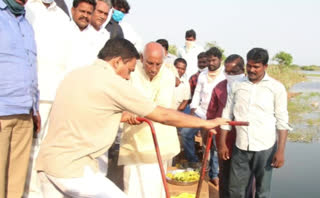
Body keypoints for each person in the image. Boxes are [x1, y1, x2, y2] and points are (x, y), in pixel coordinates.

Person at [36, 38, 228, 198]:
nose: (128, 77)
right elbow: (163, 115)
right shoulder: (111, 81)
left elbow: (88, 112)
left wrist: (120, 116)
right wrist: (206, 122)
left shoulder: (76, 74)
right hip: (73, 170)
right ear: (117, 61)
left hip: (47, 165)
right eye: (129, 70)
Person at [221, 48, 291, 198]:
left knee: (262, 191)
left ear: (265, 66)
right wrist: (222, 143)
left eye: (256, 67)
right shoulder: (237, 85)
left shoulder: (276, 88)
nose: (251, 70)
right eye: (249, 65)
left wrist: (280, 151)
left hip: (265, 148)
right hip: (241, 146)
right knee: (235, 190)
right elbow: (227, 114)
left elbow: (282, 121)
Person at [24, 0, 72, 197]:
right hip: (32, 95)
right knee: (30, 151)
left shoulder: (62, 17)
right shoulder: (25, 8)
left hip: (57, 96)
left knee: (50, 151)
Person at [118, 42, 179, 198]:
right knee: (133, 188)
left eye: (158, 64)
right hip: (134, 142)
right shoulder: (130, 71)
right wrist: (127, 113)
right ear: (141, 58)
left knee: (156, 188)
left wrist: (137, 112)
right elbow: (120, 101)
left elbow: (163, 109)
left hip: (160, 141)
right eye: (149, 63)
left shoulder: (168, 75)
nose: (153, 69)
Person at [0, 0, 41, 197]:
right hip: (2, 112)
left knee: (16, 186)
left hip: (24, 114)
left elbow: (30, 66)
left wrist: (35, 107)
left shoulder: (26, 24)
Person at [206, 54, 245, 196]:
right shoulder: (219, 88)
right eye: (227, 72)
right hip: (225, 139)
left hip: (245, 140)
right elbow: (211, 113)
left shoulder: (249, 88)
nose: (230, 75)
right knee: (225, 174)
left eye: (234, 72)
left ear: (243, 70)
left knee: (243, 177)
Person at [187, 47, 225, 181]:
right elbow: (197, 93)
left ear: (220, 60)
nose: (211, 63)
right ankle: (199, 164)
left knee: (214, 145)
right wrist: (193, 108)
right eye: (209, 60)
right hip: (201, 113)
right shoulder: (202, 74)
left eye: (214, 60)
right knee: (193, 138)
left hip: (216, 116)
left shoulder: (225, 75)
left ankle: (214, 174)